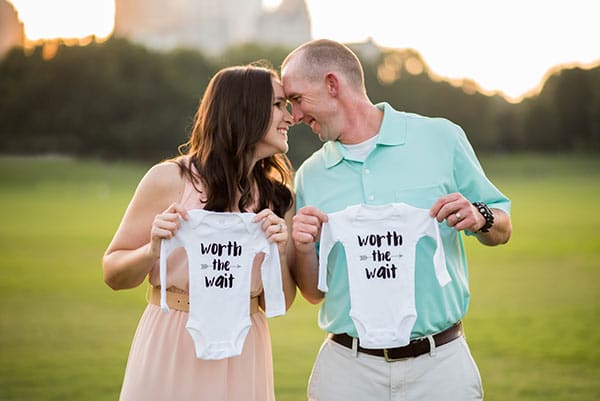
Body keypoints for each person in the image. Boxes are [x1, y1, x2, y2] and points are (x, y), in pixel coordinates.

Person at [282, 39, 512, 401]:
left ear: (332, 84)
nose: (293, 116)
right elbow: (314, 293)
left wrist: (480, 216)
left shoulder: (440, 137)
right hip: (347, 371)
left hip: (441, 367)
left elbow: (502, 228)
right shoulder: (310, 175)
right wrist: (303, 247)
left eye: (296, 99)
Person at [102, 64, 297, 401]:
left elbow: (282, 301)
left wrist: (278, 252)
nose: (290, 117)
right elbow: (113, 273)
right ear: (245, 110)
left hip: (245, 347)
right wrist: (152, 250)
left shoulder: (277, 197)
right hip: (174, 340)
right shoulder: (169, 180)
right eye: (279, 105)